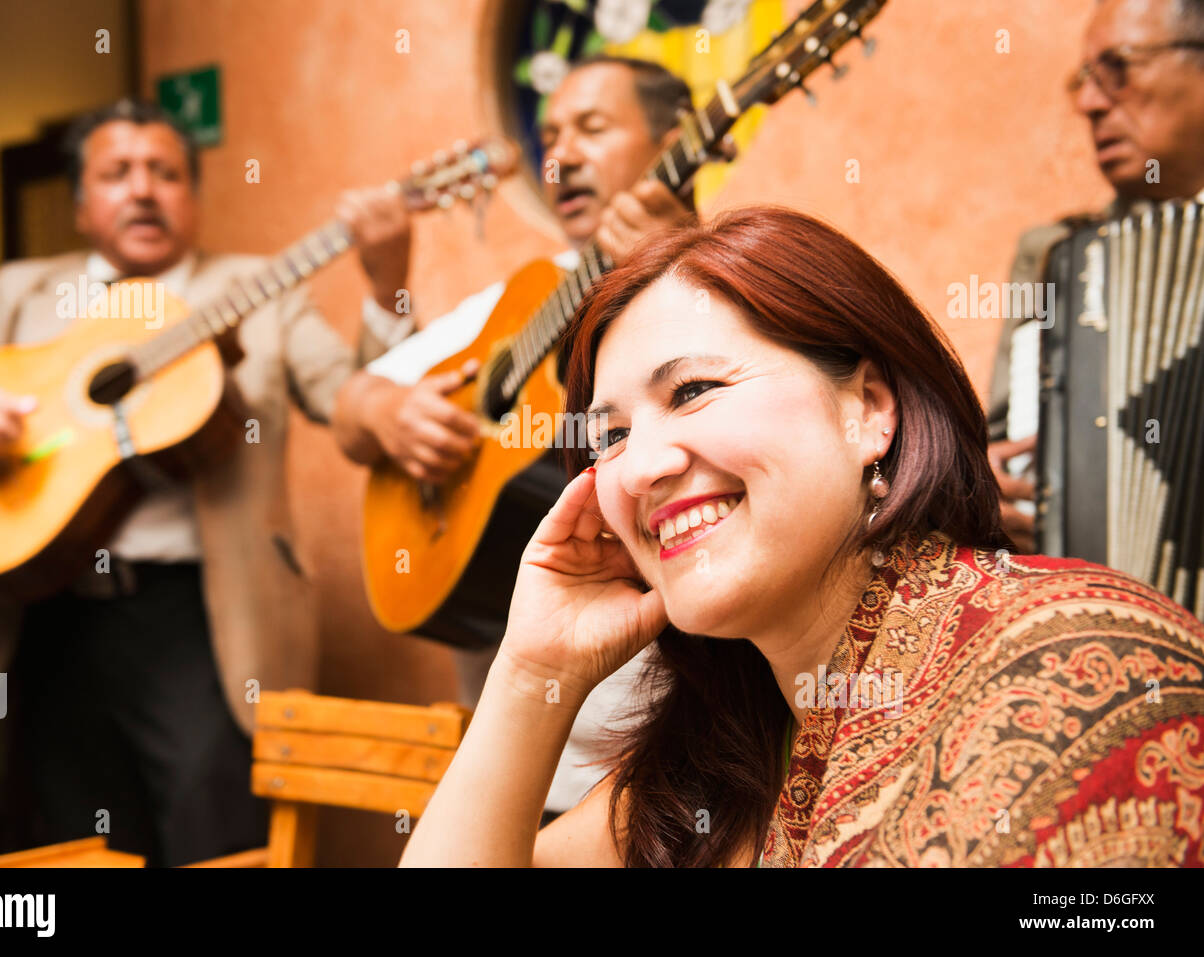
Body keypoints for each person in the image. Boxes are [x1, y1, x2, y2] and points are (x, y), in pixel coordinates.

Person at [400, 206, 1204, 867]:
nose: (639, 466)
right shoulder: (709, 771)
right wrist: (533, 668)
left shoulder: (1081, 663)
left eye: (693, 389)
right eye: (608, 437)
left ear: (869, 411)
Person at [0, 99, 414, 866]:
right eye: (117, 173)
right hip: (49, 619)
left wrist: (387, 291)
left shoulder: (260, 288)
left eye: (166, 173)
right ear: (80, 205)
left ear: (195, 198)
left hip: (205, 622)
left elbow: (360, 407)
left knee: (215, 844)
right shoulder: (22, 294)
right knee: (67, 851)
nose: (143, 189)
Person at [332, 56, 697, 817]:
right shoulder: (526, 292)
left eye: (592, 128)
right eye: (551, 135)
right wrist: (386, 413)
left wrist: (683, 266)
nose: (560, 155)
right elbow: (351, 407)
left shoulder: (735, 272)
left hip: (678, 769)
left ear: (679, 140)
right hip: (514, 780)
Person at [986, 0, 1204, 552]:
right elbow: (1001, 441)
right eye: (1084, 78)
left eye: (1118, 69)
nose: (1088, 102)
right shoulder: (1055, 256)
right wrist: (982, 485)